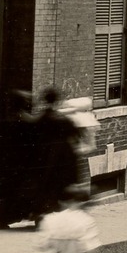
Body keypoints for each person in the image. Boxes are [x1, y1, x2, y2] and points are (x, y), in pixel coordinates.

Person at [31, 91, 83, 223]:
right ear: (57, 102)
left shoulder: (40, 119)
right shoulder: (63, 119)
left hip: (44, 157)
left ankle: (42, 214)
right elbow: (76, 136)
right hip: (63, 158)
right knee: (60, 185)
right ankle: (59, 215)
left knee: (45, 185)